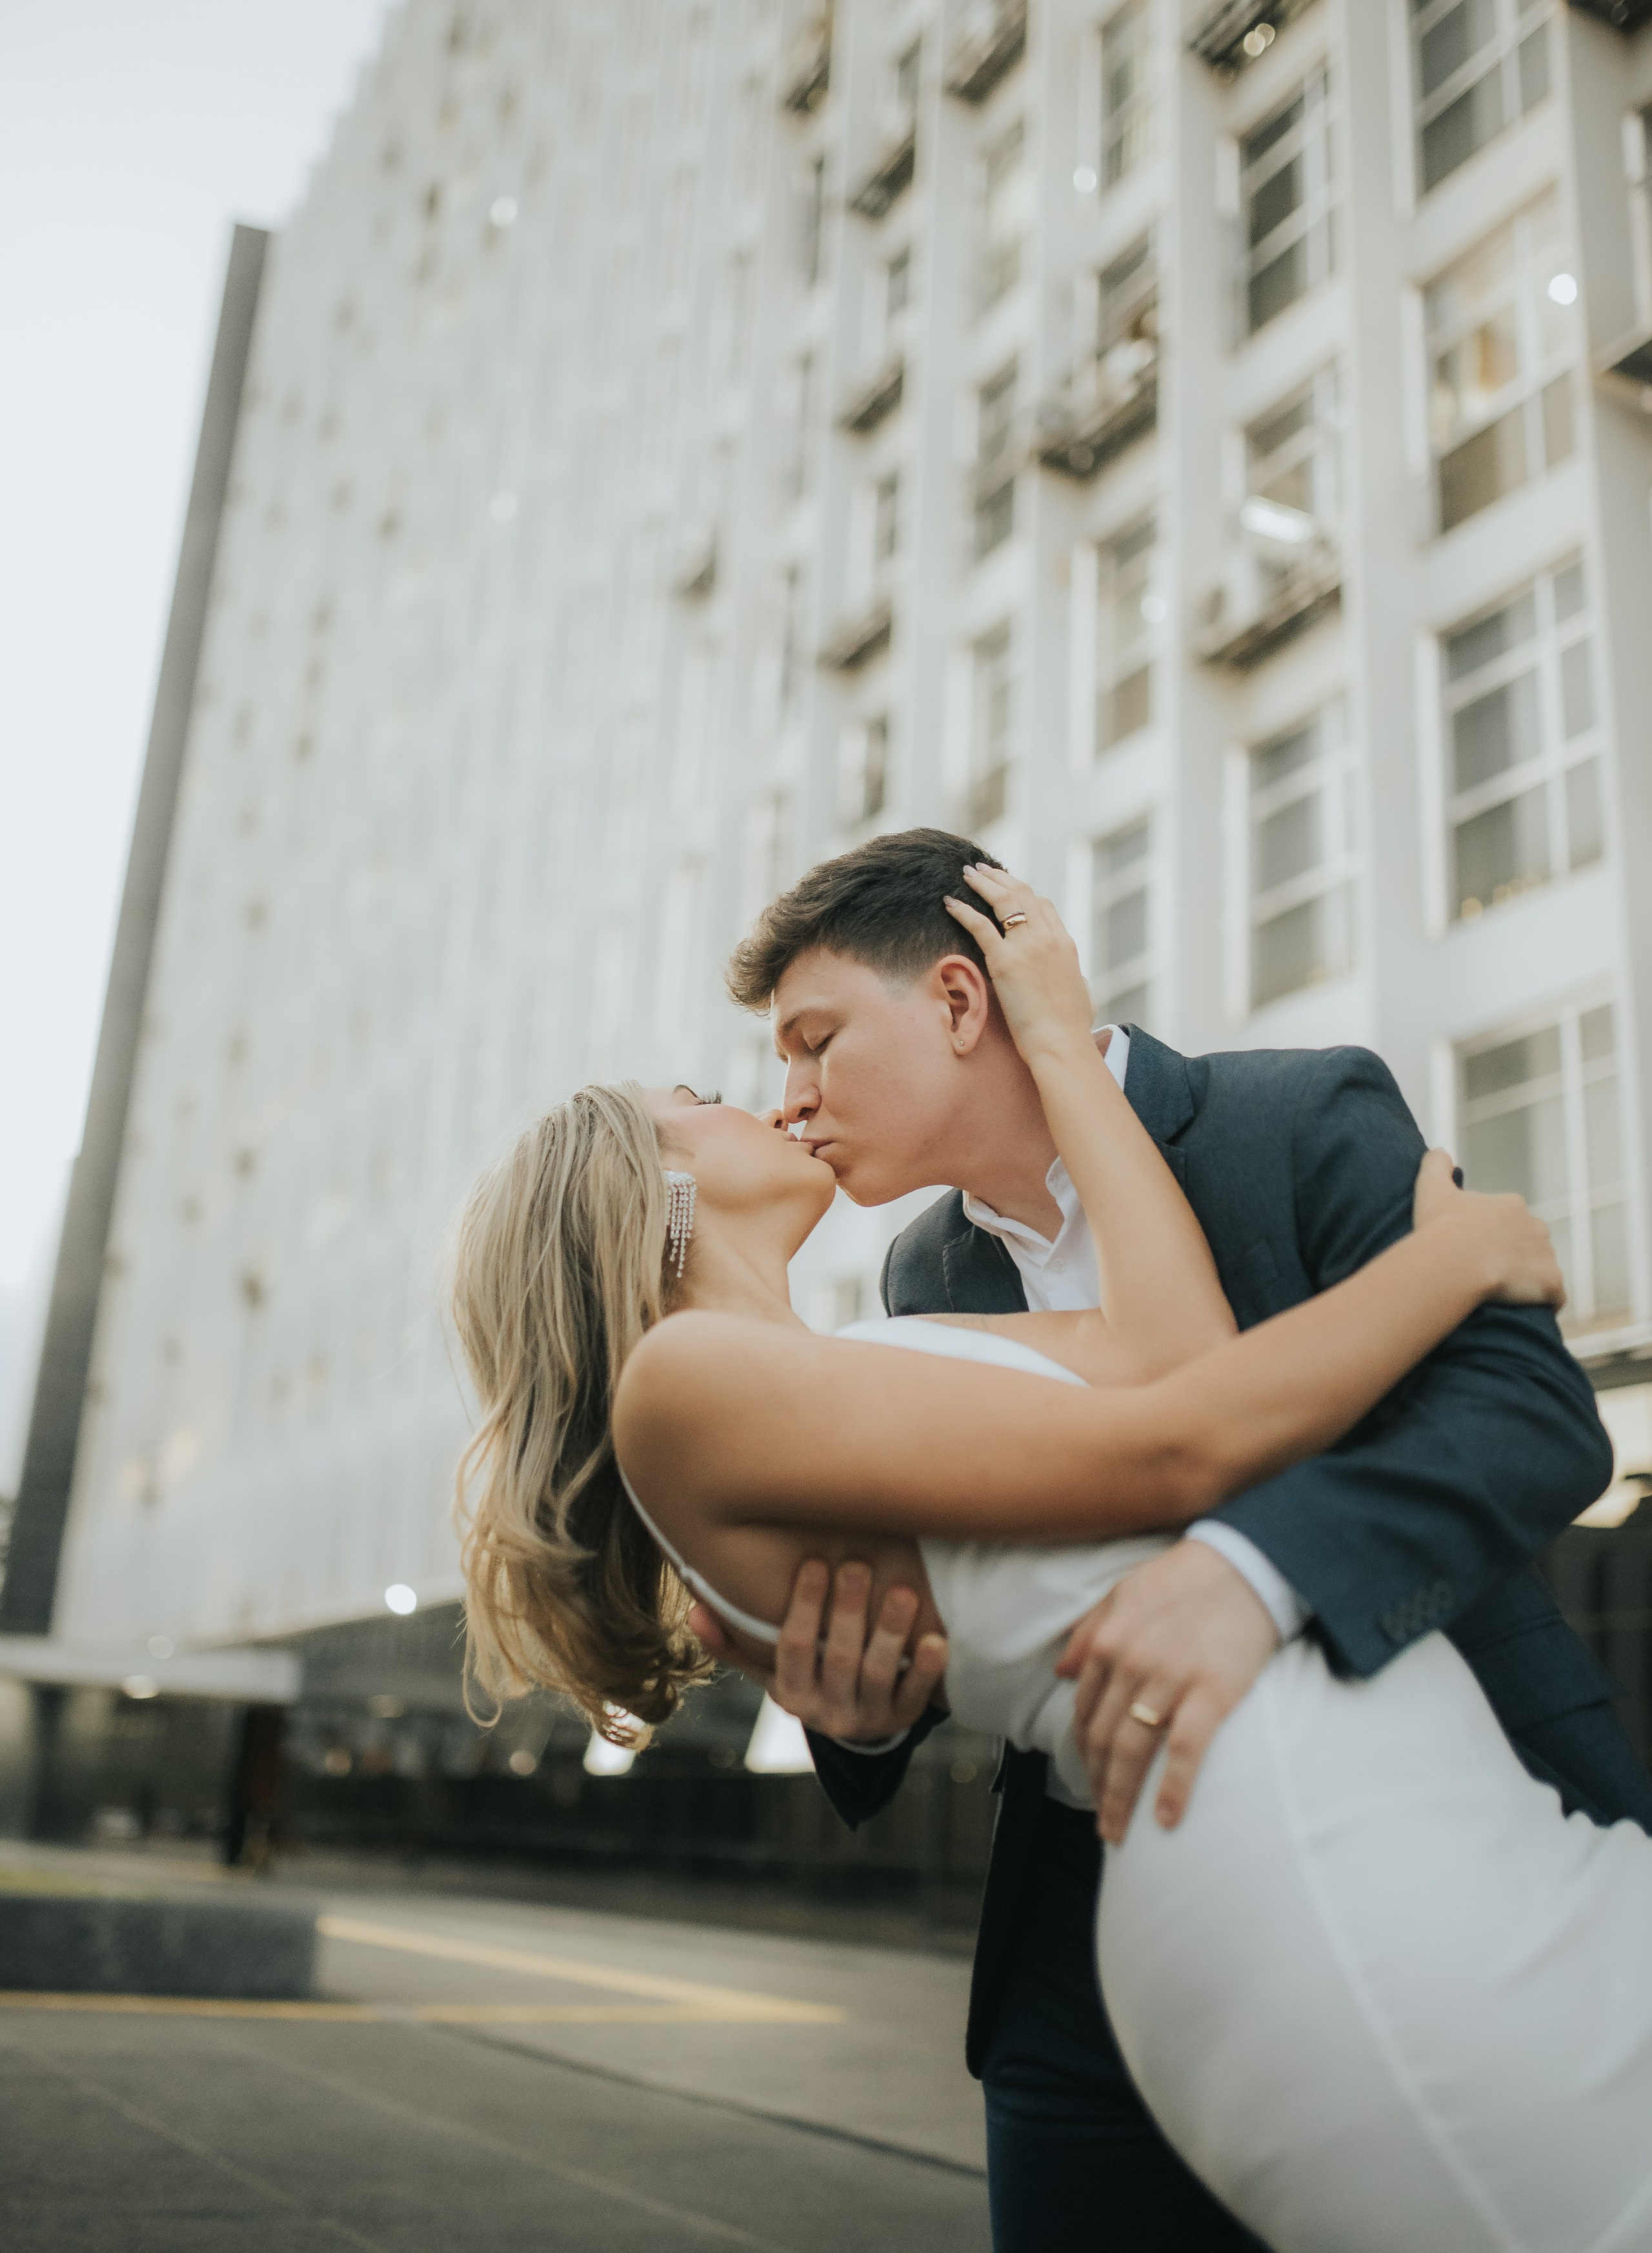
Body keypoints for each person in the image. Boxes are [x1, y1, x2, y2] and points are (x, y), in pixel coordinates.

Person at [449, 867, 1652, 2253]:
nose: (779, 1098)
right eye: (720, 1089)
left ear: (962, 1000)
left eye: (812, 1042)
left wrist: (1064, 1051)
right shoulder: (759, 1352)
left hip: (1428, 1799)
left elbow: (1234, 1376)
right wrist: (1460, 1257)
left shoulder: (1280, 1121)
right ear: (652, 1185)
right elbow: (1180, 1440)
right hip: (1193, 1873)